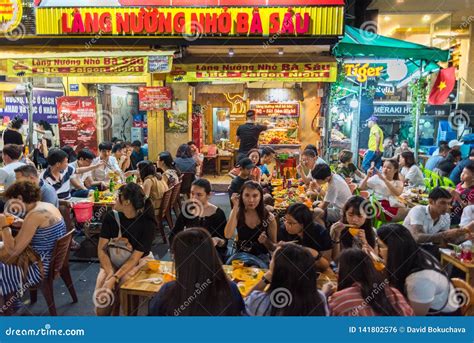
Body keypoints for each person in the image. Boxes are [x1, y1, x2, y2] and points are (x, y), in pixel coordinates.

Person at [0, 181, 66, 313]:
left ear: (19, 198)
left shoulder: (33, 215)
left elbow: (13, 251)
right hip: (51, 260)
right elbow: (44, 230)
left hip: (40, 267)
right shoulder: (46, 206)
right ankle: (10, 302)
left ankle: (7, 308)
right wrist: (24, 223)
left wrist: (4, 226)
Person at [149, 228, 244, 316]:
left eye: (173, 254)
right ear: (212, 255)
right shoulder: (230, 289)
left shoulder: (168, 291)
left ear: (180, 259)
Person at [95, 183, 157, 316]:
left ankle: (128, 316)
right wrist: (110, 273)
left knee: (124, 283)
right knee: (102, 295)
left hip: (140, 261)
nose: (115, 200)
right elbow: (101, 250)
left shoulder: (147, 222)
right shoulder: (111, 217)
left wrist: (114, 278)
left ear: (127, 201)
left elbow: (135, 258)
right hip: (114, 260)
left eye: (118, 197)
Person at [376, 224, 459, 315]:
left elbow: (416, 318)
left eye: (380, 246)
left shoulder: (420, 279)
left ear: (394, 250)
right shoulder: (413, 254)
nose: (377, 250)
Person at [245, 244, 328, 316]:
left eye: (272, 259)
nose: (270, 261)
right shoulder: (319, 299)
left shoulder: (259, 301)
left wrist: (266, 278)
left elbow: (244, 303)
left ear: (277, 270)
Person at [328, 248, 414, 316]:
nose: (336, 274)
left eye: (337, 270)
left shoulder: (340, 300)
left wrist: (323, 295)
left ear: (344, 272)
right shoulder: (395, 293)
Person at [169, 179, 227, 261]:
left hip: (211, 253)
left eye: (199, 195)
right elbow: (174, 234)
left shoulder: (218, 214)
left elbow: (224, 242)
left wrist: (217, 240)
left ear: (208, 195)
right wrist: (174, 250)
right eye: (192, 193)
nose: (194, 198)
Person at [225, 181, 277, 266]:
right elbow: (228, 235)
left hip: (261, 256)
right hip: (240, 255)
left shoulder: (269, 217)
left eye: (255, 196)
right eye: (247, 195)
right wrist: (235, 207)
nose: (251, 200)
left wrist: (266, 241)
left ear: (261, 197)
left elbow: (274, 247)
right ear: (241, 196)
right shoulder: (237, 213)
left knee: (256, 270)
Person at [404, 187, 471, 248]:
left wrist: (463, 237)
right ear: (430, 201)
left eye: (448, 203)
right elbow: (417, 237)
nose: (447, 207)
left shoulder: (446, 216)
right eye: (442, 203)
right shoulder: (418, 210)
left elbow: (442, 241)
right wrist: (444, 234)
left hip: (424, 248)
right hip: (405, 247)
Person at [272, 203, 332, 270]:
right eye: (285, 220)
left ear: (303, 223)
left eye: (291, 223)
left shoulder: (321, 232)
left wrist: (315, 255)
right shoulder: (283, 230)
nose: (286, 225)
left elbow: (326, 265)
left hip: (314, 269)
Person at [330, 196, 376, 261]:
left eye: (360, 216)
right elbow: (336, 259)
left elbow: (375, 260)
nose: (354, 220)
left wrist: (364, 242)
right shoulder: (336, 228)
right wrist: (336, 236)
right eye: (350, 215)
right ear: (345, 214)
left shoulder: (372, 231)